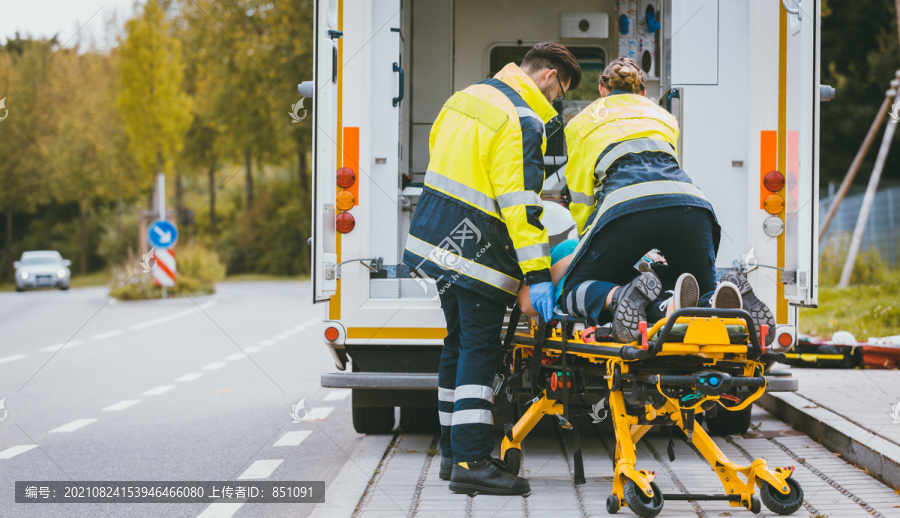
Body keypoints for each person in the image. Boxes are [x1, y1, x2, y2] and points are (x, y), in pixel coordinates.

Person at [402, 42, 582, 496]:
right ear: (548, 76)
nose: (557, 101)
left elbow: (447, 163)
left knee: (457, 345)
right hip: (478, 254)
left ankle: (450, 452)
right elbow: (520, 204)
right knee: (480, 351)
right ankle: (472, 461)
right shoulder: (523, 119)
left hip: (437, 242)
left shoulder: (465, 97)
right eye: (560, 91)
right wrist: (538, 273)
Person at [558, 57, 774, 343]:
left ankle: (622, 295)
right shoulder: (663, 116)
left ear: (602, 90)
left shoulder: (582, 120)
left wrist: (590, 240)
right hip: (691, 205)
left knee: (571, 291)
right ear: (643, 91)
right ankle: (722, 295)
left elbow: (582, 195)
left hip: (625, 207)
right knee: (698, 288)